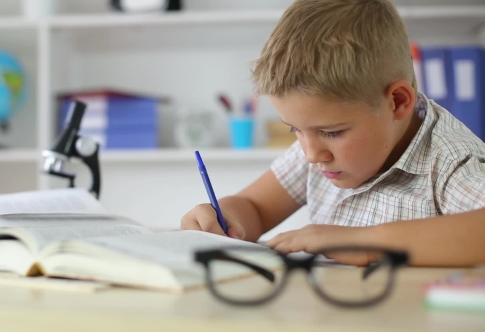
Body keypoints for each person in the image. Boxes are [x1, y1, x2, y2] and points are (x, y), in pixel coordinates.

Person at [181, 0, 485, 267]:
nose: (312, 155)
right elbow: (256, 209)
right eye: (294, 129)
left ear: (398, 102)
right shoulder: (318, 152)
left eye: (332, 132)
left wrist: (370, 242)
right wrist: (225, 218)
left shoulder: (450, 162)